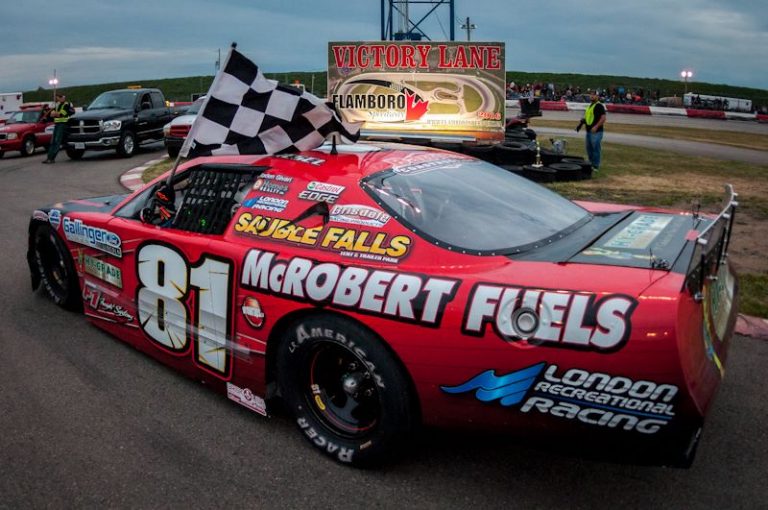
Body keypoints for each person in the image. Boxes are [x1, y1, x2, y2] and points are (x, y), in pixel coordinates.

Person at [575, 91, 607, 171]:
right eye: (591, 95)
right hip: (589, 131)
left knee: (595, 148)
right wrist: (579, 125)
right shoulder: (590, 106)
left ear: (597, 96)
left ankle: (595, 166)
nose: (592, 96)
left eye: (594, 95)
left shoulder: (599, 106)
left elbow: (603, 118)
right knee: (589, 149)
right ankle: (590, 164)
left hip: (596, 132)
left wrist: (596, 127)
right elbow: (586, 118)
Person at [42, 93, 74, 164]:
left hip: (62, 125)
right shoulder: (57, 105)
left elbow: (61, 114)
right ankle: (49, 157)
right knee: (53, 141)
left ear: (63, 97)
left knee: (57, 141)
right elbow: (52, 114)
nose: (57, 99)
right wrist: (54, 113)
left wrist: (55, 113)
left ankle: (51, 158)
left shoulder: (66, 105)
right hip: (57, 124)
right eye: (57, 98)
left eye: (58, 98)